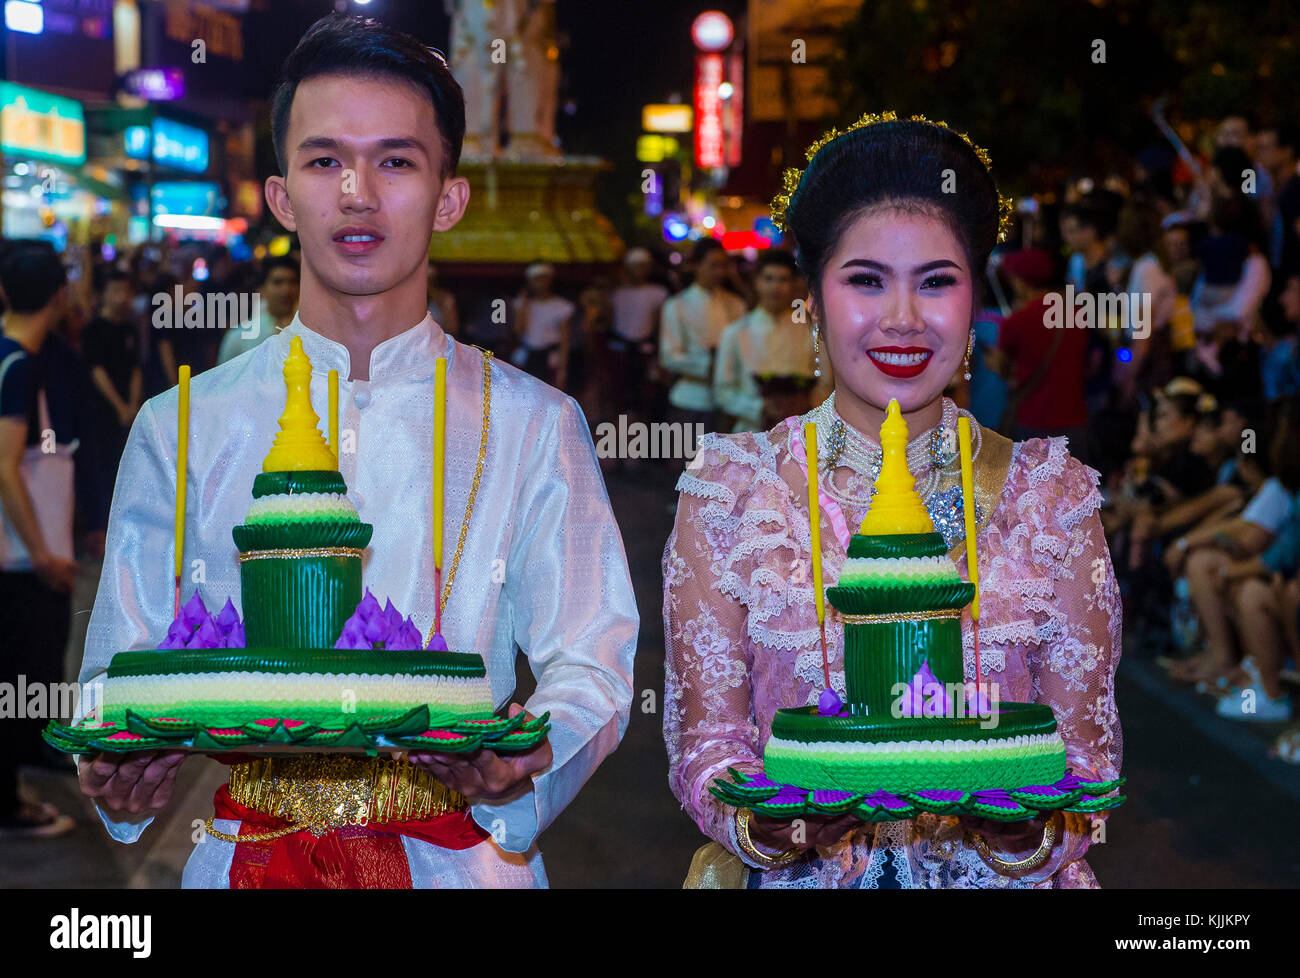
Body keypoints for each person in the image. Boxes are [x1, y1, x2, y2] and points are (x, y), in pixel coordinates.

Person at [75, 13, 638, 889]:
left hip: (464, 860)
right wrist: (120, 767)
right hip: (244, 860)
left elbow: (591, 660)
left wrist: (522, 764)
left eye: (397, 161)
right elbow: (118, 664)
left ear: (449, 196)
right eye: (325, 159)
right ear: (280, 194)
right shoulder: (183, 423)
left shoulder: (534, 421)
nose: (358, 193)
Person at [663, 115, 1122, 888]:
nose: (903, 319)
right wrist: (765, 821)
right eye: (866, 280)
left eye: (937, 281)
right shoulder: (732, 489)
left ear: (976, 297)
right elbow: (707, 739)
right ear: (811, 297)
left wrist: (1024, 828)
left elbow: (1086, 757)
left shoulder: (1049, 494)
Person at [0, 241, 78, 838]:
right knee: (18, 678)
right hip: (19, 561)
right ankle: (9, 803)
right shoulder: (18, 365)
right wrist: (44, 552)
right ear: (59, 294)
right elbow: (5, 467)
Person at [712, 249, 831, 432]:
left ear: (793, 284)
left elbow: (826, 383)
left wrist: (805, 403)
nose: (775, 287)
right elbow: (722, 391)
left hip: (801, 432)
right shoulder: (736, 332)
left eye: (783, 280)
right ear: (757, 282)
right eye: (768, 279)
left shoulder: (811, 330)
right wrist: (759, 407)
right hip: (750, 431)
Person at [989, 248, 1089, 456]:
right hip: (1075, 422)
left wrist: (993, 362)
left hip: (1031, 423)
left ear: (1021, 281)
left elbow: (1003, 370)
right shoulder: (1079, 314)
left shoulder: (1016, 321)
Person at [659, 238, 746, 429]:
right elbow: (669, 356)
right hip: (691, 398)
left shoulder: (735, 304)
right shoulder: (677, 305)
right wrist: (710, 365)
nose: (719, 272)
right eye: (713, 265)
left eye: (723, 266)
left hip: (728, 401)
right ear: (696, 266)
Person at [81, 270, 143, 538]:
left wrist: (132, 405)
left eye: (126, 291)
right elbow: (96, 371)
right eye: (115, 291)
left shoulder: (130, 329)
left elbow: (136, 369)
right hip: (100, 412)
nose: (121, 298)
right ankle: (99, 529)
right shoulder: (94, 329)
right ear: (103, 295)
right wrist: (119, 406)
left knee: (125, 466)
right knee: (101, 468)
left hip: (127, 413)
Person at [608, 248, 669, 420]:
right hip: (620, 349)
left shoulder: (658, 292)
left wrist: (659, 353)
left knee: (646, 395)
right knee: (619, 393)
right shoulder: (617, 293)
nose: (639, 270)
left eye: (643, 266)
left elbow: (659, 325)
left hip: (645, 349)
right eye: (635, 266)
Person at [216, 257, 301, 365]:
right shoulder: (239, 337)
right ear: (262, 290)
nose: (286, 290)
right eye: (278, 282)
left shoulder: (311, 334)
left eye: (292, 282)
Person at [510, 262, 574, 388]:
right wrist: (523, 306)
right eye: (535, 279)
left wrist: (563, 370)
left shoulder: (562, 306)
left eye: (543, 278)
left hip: (550, 359)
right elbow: (518, 331)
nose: (539, 283)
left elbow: (565, 339)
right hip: (526, 357)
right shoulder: (521, 303)